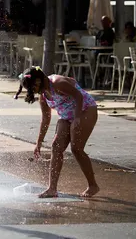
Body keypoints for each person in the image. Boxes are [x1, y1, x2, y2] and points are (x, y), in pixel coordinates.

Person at [15, 66, 100, 198]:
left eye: (32, 87)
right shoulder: (43, 96)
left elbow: (78, 96)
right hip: (66, 116)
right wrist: (39, 142)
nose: (33, 91)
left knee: (76, 148)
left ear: (38, 81)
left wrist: (77, 118)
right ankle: (52, 189)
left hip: (85, 109)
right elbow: (45, 119)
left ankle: (93, 185)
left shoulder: (57, 83)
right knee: (56, 147)